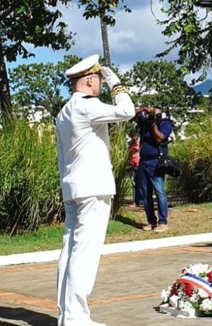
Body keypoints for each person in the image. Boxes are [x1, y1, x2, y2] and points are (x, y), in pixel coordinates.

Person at [56, 54, 135, 326]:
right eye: (100, 79)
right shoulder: (87, 107)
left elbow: (61, 158)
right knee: (84, 253)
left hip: (73, 187)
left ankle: (67, 315)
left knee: (69, 252)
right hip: (93, 188)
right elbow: (127, 111)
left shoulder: (64, 111)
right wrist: (117, 84)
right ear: (90, 79)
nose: (101, 83)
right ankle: (76, 318)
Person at [134, 106, 173, 232]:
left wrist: (153, 124)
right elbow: (130, 114)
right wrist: (144, 109)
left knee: (159, 192)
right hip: (143, 162)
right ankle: (151, 222)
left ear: (160, 115)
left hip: (156, 162)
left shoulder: (165, 124)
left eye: (156, 114)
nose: (152, 117)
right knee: (146, 194)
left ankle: (163, 222)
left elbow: (159, 139)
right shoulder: (144, 122)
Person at [127, 131, 144, 207]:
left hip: (139, 164)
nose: (133, 138)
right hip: (132, 165)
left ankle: (141, 200)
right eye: (132, 136)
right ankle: (135, 201)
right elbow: (128, 153)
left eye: (134, 136)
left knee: (139, 183)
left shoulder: (140, 143)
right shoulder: (130, 144)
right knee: (134, 184)